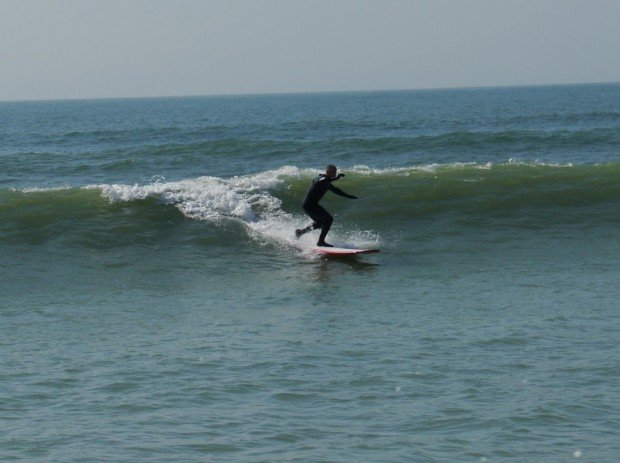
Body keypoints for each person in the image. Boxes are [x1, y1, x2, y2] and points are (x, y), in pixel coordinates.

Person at [295, 164, 357, 247]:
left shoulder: (327, 182)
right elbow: (321, 179)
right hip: (309, 205)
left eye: (335, 172)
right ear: (328, 172)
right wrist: (335, 178)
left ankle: (301, 232)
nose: (335, 173)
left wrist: (348, 196)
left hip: (310, 205)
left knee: (320, 223)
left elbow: (336, 190)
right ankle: (321, 242)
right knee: (329, 219)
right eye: (333, 172)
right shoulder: (320, 179)